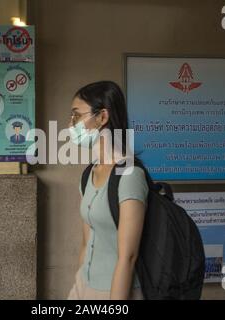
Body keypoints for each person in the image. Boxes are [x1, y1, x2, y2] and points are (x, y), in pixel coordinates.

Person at [66, 81, 148, 300]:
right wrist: (79, 286)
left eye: (76, 116)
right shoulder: (88, 175)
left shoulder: (129, 175)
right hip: (85, 285)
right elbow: (87, 242)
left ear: (102, 117)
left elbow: (128, 257)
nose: (70, 124)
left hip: (116, 290)